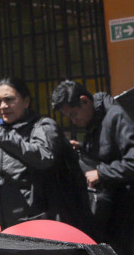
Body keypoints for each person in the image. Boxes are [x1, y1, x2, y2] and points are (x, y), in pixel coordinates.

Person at [0, 77, 90, 230]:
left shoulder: (42, 126)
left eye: (9, 100)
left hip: (36, 222)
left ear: (26, 101)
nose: (3, 106)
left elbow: (44, 158)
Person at [51, 80, 134, 254]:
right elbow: (108, 153)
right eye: (69, 117)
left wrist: (101, 173)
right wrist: (82, 148)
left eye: (74, 114)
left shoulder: (115, 116)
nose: (74, 120)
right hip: (112, 212)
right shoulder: (95, 121)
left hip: (126, 211)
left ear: (84, 100)